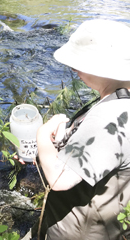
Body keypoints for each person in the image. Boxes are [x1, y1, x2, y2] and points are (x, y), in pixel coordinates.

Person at [30, 19, 130, 239]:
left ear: (105, 68)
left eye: (78, 64)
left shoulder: (111, 118)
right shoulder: (119, 102)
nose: (74, 70)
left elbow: (59, 179)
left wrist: (42, 136)